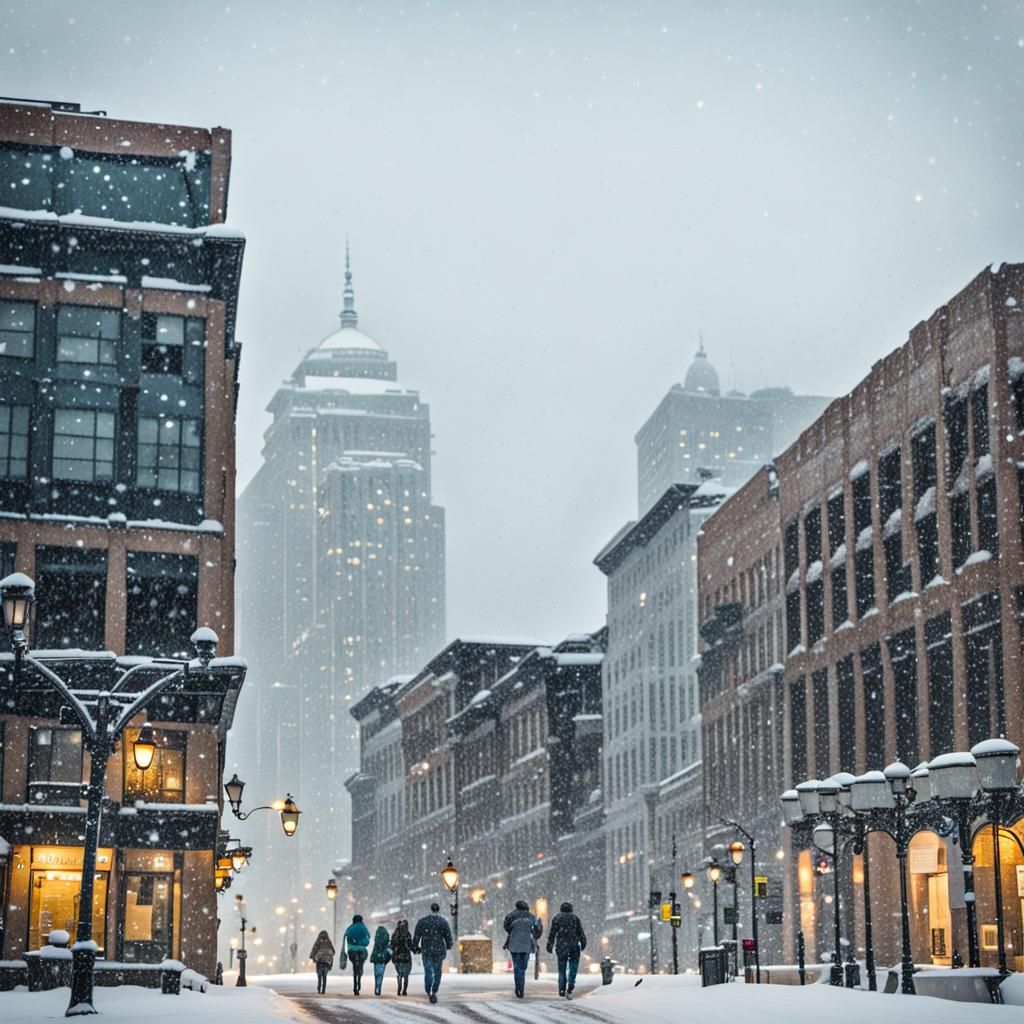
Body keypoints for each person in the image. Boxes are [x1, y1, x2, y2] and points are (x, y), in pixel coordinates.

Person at [412, 902, 453, 1004]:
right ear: (438, 910)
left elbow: (417, 935)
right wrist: (449, 945)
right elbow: (447, 935)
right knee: (437, 970)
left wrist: (415, 946)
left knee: (428, 970)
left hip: (427, 949)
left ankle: (428, 988)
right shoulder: (443, 921)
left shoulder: (423, 921)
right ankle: (434, 989)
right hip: (439, 950)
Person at [546, 902, 587, 999]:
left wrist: (550, 944)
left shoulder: (556, 918)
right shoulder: (575, 919)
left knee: (561, 970)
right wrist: (583, 942)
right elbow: (580, 932)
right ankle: (571, 983)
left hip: (561, 947)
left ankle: (561, 988)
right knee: (573, 966)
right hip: (574, 947)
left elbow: (552, 933)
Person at [503, 899, 543, 999]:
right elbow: (538, 928)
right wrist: (535, 936)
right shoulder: (531, 916)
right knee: (523, 966)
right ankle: (521, 988)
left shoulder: (511, 915)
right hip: (526, 945)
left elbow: (506, 926)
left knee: (517, 967)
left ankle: (519, 986)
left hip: (514, 944)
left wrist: (513, 932)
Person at [342, 914, 371, 995]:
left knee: (354, 966)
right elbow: (368, 936)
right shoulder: (363, 927)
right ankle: (360, 973)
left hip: (352, 950)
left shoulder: (350, 927)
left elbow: (346, 937)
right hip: (361, 950)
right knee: (361, 962)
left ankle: (355, 985)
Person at [390, 919, 414, 996]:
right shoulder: (407, 934)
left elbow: (392, 946)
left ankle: (399, 979)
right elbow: (410, 945)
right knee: (406, 973)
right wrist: (415, 949)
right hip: (406, 956)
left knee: (399, 971)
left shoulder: (395, 934)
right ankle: (404, 990)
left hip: (398, 956)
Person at [308, 930, 335, 994]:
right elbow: (333, 950)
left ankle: (319, 984)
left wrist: (311, 956)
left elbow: (314, 948)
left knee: (318, 972)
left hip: (319, 959)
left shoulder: (318, 941)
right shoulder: (328, 941)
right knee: (329, 963)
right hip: (326, 960)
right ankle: (328, 969)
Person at [369, 925, 391, 996]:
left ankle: (377, 987)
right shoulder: (386, 941)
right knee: (381, 974)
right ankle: (378, 987)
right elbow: (389, 951)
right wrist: (388, 958)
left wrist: (372, 957)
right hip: (383, 959)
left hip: (377, 959)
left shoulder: (377, 940)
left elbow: (374, 950)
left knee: (376, 974)